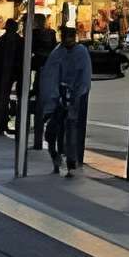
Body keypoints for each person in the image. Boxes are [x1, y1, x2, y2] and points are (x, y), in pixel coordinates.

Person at [39, 23, 93, 175]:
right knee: (52, 132)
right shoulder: (58, 53)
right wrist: (52, 101)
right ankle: (56, 158)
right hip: (58, 97)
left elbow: (84, 78)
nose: (67, 40)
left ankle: (70, 162)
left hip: (74, 97)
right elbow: (50, 77)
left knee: (70, 129)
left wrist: (77, 96)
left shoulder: (80, 52)